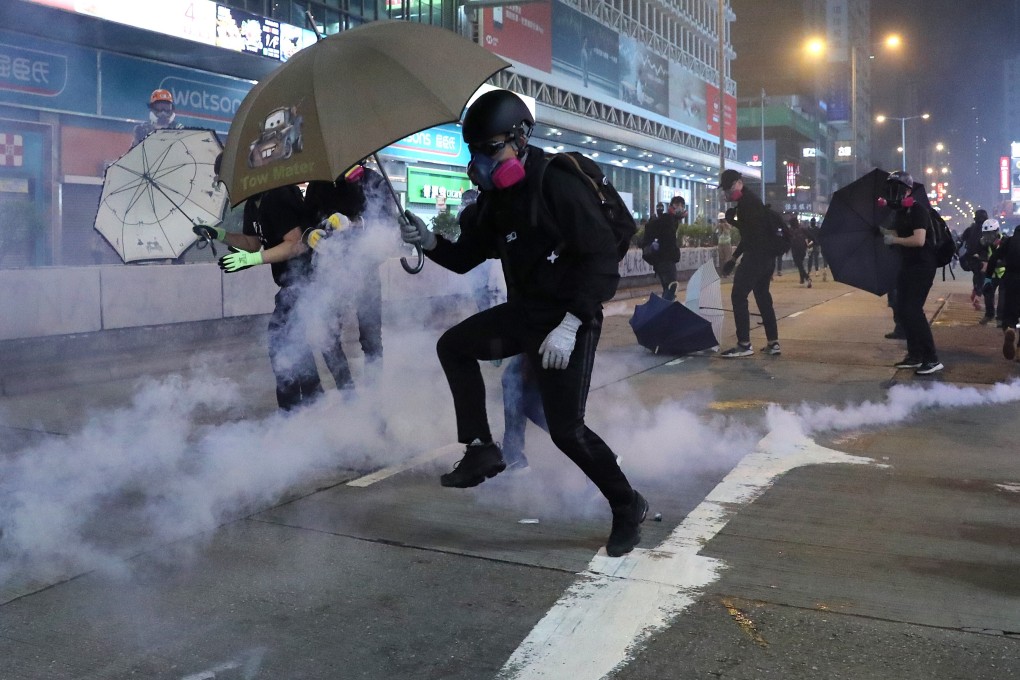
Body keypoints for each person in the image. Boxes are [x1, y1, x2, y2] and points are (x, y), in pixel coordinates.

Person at [399, 89, 648, 557]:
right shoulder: (495, 200)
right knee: (454, 346)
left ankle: (626, 504)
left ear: (520, 139)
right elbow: (466, 257)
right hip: (526, 314)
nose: (482, 162)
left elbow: (600, 261)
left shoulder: (557, 181)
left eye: (491, 149)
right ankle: (480, 448)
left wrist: (573, 323)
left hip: (569, 317)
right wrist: (429, 240)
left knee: (565, 429)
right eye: (475, 152)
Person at [196, 159, 335, 409]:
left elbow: (295, 244)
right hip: (290, 286)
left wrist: (252, 259)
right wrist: (219, 234)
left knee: (281, 344)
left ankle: (293, 410)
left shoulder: (277, 195)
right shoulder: (254, 203)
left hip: (308, 282)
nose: (227, 188)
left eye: (227, 181)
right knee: (296, 347)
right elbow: (253, 241)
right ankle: (313, 407)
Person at [303, 162, 391, 388]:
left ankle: (375, 398)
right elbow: (306, 220)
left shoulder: (372, 179)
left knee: (371, 341)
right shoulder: (318, 184)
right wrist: (310, 234)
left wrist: (355, 224)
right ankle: (347, 392)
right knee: (327, 337)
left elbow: (388, 224)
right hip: (330, 271)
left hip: (366, 268)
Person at [880, 171, 943, 375]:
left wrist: (895, 240)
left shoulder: (917, 211)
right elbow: (898, 236)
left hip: (922, 266)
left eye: (896, 189)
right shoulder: (899, 214)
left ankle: (931, 359)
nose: (893, 193)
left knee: (913, 310)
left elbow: (919, 240)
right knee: (903, 310)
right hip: (907, 266)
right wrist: (883, 233)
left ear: (908, 191)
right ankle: (915, 355)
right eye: (890, 189)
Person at [717, 169, 780, 358]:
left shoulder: (747, 204)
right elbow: (749, 234)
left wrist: (735, 222)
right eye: (725, 190)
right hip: (766, 258)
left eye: (729, 188)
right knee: (762, 296)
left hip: (756, 257)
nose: (727, 193)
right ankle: (773, 342)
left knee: (738, 295)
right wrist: (734, 258)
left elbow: (751, 236)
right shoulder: (750, 201)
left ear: (738, 183)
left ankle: (744, 344)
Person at [640, 195, 685, 300]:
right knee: (672, 286)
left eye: (682, 205)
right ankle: (665, 308)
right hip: (665, 259)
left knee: (667, 287)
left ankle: (665, 308)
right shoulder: (667, 218)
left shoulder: (673, 220)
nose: (680, 207)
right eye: (677, 205)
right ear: (671, 206)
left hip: (663, 259)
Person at [987, 223, 1020, 359]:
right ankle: (1019, 352)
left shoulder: (1010, 241)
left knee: (1009, 313)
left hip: (1011, 279)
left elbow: (994, 257)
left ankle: (1010, 329)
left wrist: (988, 277)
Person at [974, 218, 1005, 326]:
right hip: (991, 274)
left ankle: (1000, 319)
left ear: (997, 232)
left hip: (1004, 275)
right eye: (986, 234)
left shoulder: (1005, 242)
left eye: (990, 234)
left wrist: (993, 263)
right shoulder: (983, 244)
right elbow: (982, 259)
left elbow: (1007, 260)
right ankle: (989, 314)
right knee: (987, 292)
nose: (988, 237)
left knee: (1003, 297)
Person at [958, 209, 990, 312]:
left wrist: (956, 252)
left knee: (977, 275)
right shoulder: (987, 230)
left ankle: (975, 292)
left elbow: (960, 241)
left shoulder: (969, 229)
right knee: (981, 277)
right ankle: (977, 295)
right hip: (983, 259)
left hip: (969, 258)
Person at [788, 214, 812, 287]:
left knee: (799, 264)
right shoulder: (802, 229)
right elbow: (810, 236)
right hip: (802, 249)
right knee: (800, 264)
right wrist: (810, 244)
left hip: (795, 249)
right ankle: (802, 278)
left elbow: (787, 240)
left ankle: (807, 278)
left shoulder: (790, 230)